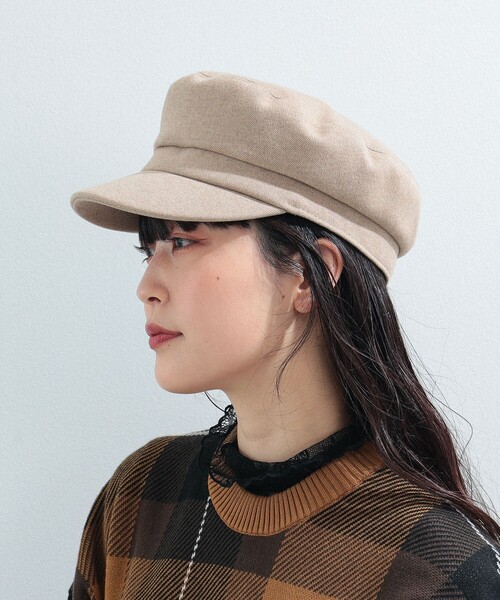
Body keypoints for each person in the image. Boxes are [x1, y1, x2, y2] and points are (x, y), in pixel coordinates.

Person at [67, 71, 500, 599]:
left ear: (307, 274)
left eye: (181, 242)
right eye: (148, 250)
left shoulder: (438, 567)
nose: (146, 288)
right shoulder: (141, 497)